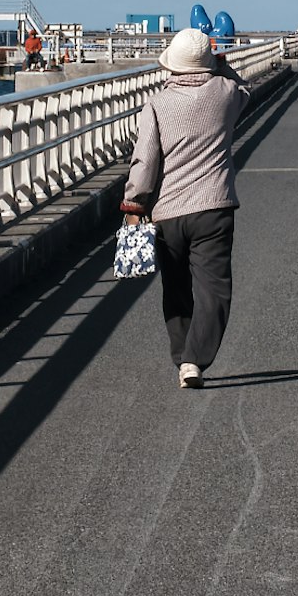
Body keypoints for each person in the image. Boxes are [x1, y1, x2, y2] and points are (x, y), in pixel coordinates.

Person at [121, 25, 246, 387]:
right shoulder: (225, 94)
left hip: (168, 212)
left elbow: (144, 162)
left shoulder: (157, 105)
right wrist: (219, 63)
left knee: (176, 287)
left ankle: (182, 357)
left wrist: (134, 202)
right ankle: (196, 359)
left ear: (172, 65)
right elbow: (244, 92)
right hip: (214, 207)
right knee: (214, 289)